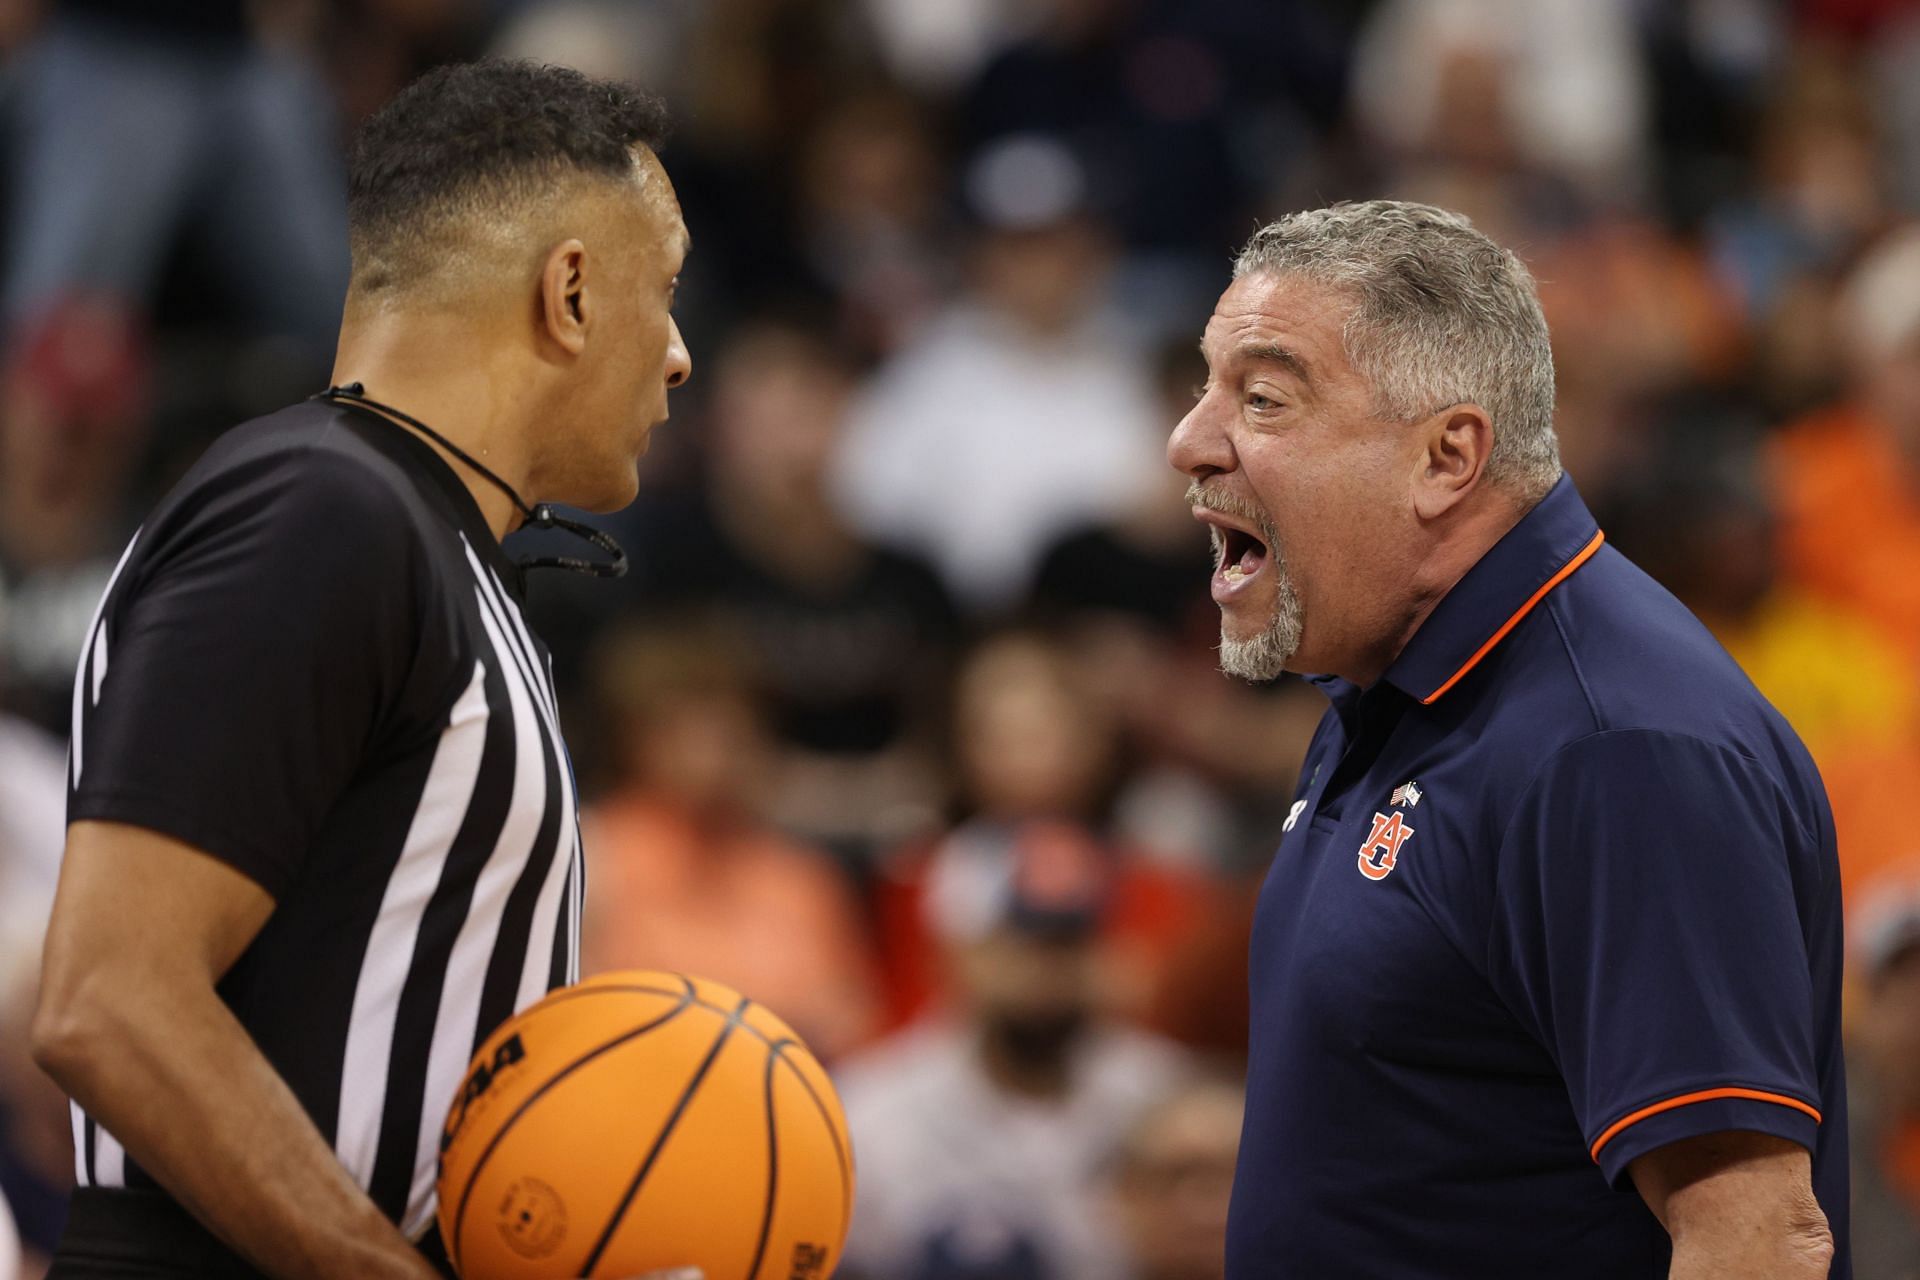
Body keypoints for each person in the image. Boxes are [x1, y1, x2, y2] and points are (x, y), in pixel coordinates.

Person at [30, 61, 698, 1280]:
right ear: (571, 292)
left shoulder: (423, 542)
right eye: (665, 294)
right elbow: (107, 1000)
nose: (681, 357)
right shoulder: (324, 509)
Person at [1168, 200, 1847, 1277]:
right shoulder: (1396, 686)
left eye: (1261, 397)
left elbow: (1757, 1232)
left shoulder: (1613, 744)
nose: (1189, 440)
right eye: (1207, 386)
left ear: (1447, 456)